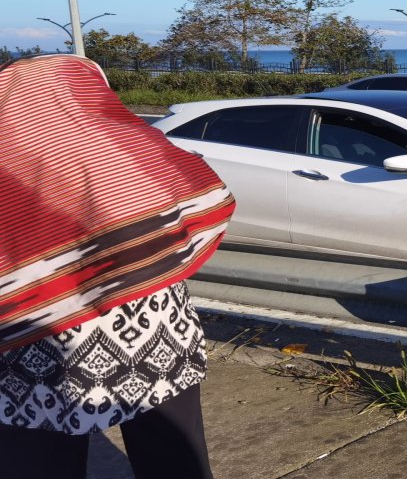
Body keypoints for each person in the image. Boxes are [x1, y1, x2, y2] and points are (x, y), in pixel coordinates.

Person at [0, 54, 235, 478]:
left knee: (39, 455)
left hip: (35, 336)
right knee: (173, 454)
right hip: (152, 327)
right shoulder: (127, 145)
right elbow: (209, 197)